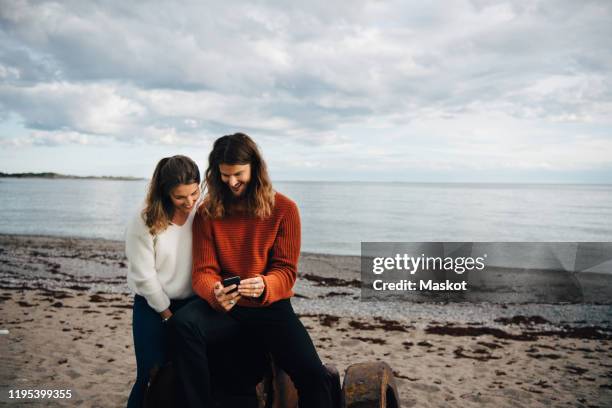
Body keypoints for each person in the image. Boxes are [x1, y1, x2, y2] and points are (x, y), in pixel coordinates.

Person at [172, 133, 333, 407]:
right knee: (183, 324)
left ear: (255, 169)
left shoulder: (285, 209)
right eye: (224, 175)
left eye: (238, 174)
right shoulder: (207, 212)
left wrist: (265, 285)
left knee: (314, 376)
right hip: (227, 306)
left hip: (270, 308)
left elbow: (285, 272)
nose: (231, 182)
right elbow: (202, 271)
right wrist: (215, 292)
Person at [125, 155, 201, 408]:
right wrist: (166, 314)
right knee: (150, 376)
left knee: (187, 376)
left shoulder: (200, 213)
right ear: (165, 192)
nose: (189, 202)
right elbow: (144, 276)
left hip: (193, 308)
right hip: (152, 307)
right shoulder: (144, 219)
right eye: (180, 197)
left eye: (194, 193)